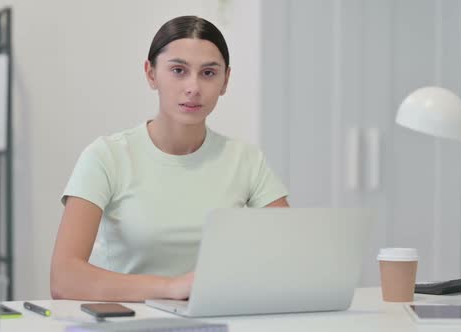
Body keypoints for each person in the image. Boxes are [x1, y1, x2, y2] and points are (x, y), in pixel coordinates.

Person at [50, 15, 289, 302]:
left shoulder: (246, 160)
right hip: (126, 321)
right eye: (178, 70)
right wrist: (170, 288)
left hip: (214, 320)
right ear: (151, 74)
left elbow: (289, 257)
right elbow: (64, 279)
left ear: (225, 81)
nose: (193, 87)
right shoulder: (106, 156)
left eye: (209, 73)